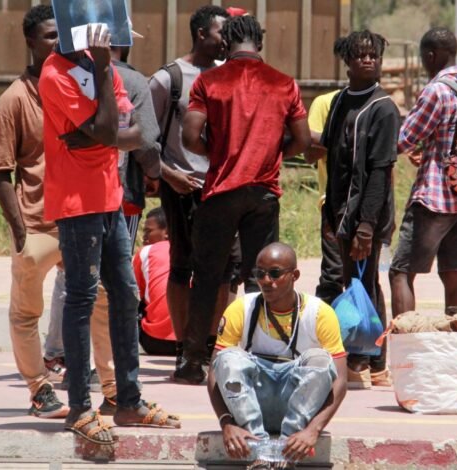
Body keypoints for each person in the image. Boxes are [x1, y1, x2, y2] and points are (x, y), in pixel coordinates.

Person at [39, 21, 179, 444]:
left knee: (125, 293)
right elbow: (110, 130)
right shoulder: (57, 73)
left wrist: (98, 134)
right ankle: (80, 407)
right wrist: (103, 83)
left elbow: (135, 133)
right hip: (77, 202)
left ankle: (128, 401)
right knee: (82, 296)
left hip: (109, 197)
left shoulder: (99, 67)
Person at [0, 4, 115, 419]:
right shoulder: (14, 99)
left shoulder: (77, 83)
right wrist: (19, 230)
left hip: (79, 216)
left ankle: (112, 387)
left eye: (61, 35)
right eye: (48, 35)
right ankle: (39, 389)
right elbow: (1, 170)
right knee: (26, 312)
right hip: (38, 223)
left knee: (102, 301)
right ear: (29, 41)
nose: (58, 42)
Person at [179, 14, 311, 384]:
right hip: (263, 192)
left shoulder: (209, 81)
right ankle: (260, 355)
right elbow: (302, 139)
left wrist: (217, 153)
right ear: (260, 43)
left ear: (225, 44)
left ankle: (192, 360)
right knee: (263, 277)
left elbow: (189, 137)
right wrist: (273, 153)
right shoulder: (284, 83)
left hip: (221, 191)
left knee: (206, 277)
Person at [147, 5, 236, 377]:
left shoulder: (227, 75)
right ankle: (184, 349)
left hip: (223, 188)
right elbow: (143, 138)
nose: (226, 40)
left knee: (226, 271)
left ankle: (216, 346)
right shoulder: (167, 79)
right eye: (221, 33)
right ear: (201, 34)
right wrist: (169, 176)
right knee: (182, 267)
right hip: (182, 188)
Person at [208, 242, 347, 466]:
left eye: (274, 273)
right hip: (250, 405)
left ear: (294, 275)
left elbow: (341, 381)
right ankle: (258, 450)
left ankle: (288, 448)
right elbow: (215, 373)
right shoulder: (241, 308)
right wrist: (226, 422)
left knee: (320, 359)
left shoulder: (319, 313)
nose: (266, 281)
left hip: (299, 407)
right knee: (227, 358)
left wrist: (313, 430)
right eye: (259, 274)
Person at [318, 31, 399, 389]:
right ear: (347, 62)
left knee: (365, 283)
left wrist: (366, 226)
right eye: (361, 55)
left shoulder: (383, 108)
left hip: (367, 215)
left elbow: (380, 171)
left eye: (374, 55)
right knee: (353, 282)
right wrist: (331, 215)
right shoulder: (339, 102)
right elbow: (332, 157)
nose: (369, 60)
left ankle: (371, 362)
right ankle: (365, 359)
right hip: (340, 211)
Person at [389, 27, 457, 321]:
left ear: (431, 56)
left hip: (434, 199)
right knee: (454, 274)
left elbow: (404, 139)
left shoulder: (437, 90)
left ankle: (406, 339)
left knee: (401, 272)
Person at [109, 43, 161, 248]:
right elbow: (146, 142)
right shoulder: (134, 80)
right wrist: (153, 174)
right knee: (119, 261)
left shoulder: (73, 75)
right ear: (124, 44)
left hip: (79, 197)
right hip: (123, 192)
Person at [305, 89, 345, 306]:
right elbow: (310, 154)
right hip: (339, 203)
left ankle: (331, 322)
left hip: (342, 204)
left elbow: (310, 153)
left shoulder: (325, 102)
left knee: (336, 275)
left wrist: (326, 139)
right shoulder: (325, 102)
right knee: (359, 276)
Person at [133, 208, 176, 355]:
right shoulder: (193, 250)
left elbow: (133, 294)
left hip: (154, 343)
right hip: (190, 344)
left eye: (148, 231)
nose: (144, 237)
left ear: (167, 232)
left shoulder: (145, 252)